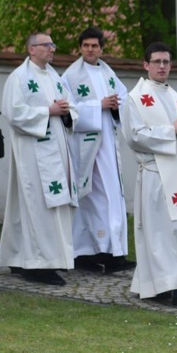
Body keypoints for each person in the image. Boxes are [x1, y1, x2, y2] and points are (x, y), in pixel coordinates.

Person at [123, 42, 177, 309]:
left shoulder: (176, 96)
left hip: (176, 174)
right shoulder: (135, 97)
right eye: (156, 61)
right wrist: (172, 130)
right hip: (156, 175)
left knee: (176, 231)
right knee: (161, 235)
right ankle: (176, 290)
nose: (162, 66)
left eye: (166, 62)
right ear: (146, 65)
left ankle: (158, 286)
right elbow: (134, 137)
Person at [0, 33, 79, 286]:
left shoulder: (55, 77)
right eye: (47, 45)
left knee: (48, 207)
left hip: (58, 152)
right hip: (33, 154)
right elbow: (13, 113)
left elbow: (72, 107)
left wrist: (66, 112)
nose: (53, 48)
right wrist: (48, 111)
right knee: (37, 207)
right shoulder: (19, 78)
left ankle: (33, 258)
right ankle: (37, 265)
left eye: (53, 44)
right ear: (32, 49)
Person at [62, 26, 134, 273]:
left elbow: (124, 99)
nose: (90, 50)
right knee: (93, 200)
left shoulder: (107, 72)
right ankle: (87, 252)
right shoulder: (70, 76)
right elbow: (67, 112)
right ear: (80, 48)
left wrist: (115, 107)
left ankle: (114, 252)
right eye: (86, 46)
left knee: (113, 198)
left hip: (108, 147)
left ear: (102, 48)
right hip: (86, 148)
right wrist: (98, 105)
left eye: (94, 46)